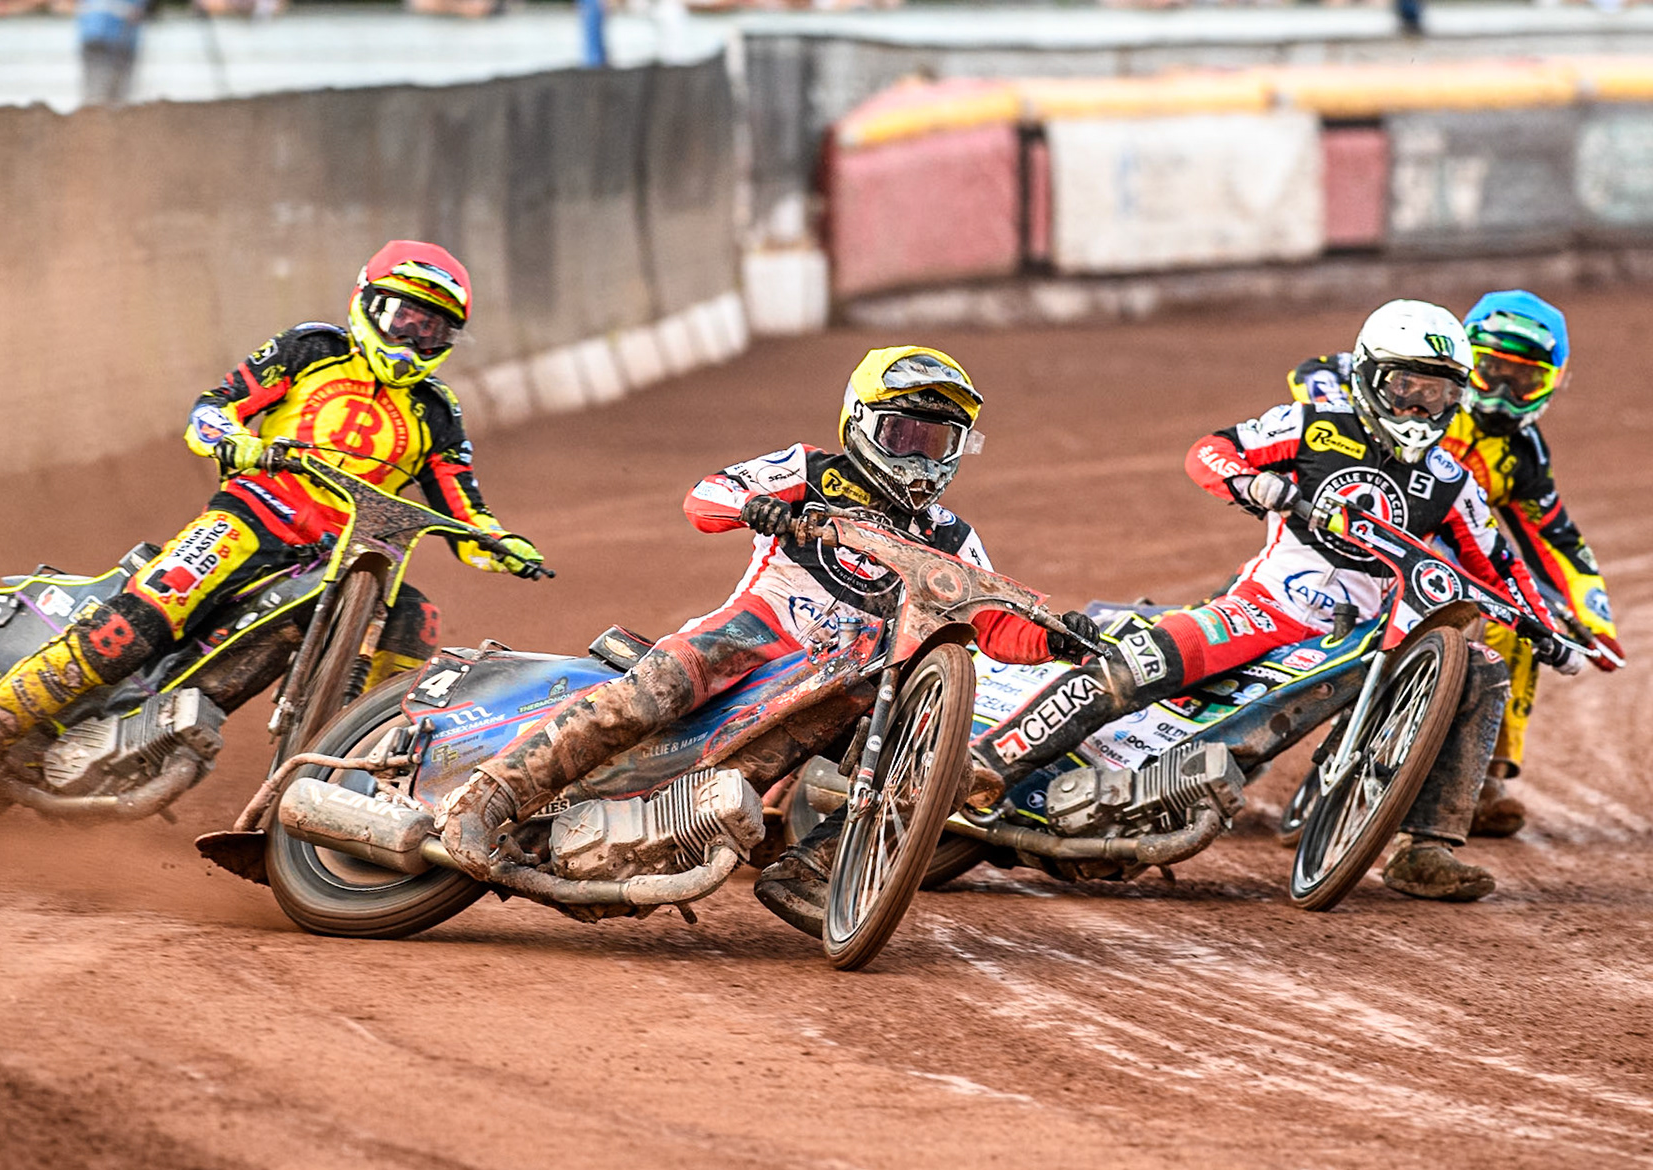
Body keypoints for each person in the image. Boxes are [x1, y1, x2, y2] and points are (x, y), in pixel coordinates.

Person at [435, 346, 1104, 936]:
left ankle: (812, 870)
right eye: (903, 434)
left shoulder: (951, 538)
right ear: (862, 423)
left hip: (842, 690)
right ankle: (488, 797)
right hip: (757, 635)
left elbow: (990, 620)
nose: (918, 456)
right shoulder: (812, 470)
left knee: (957, 769)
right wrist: (757, 508)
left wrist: (1059, 640)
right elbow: (708, 495)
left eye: (936, 441)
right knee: (656, 688)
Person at [972, 299, 1579, 903]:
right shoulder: (1314, 423)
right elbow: (1209, 451)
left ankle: (1426, 849)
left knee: (1479, 667)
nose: (1421, 408)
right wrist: (1251, 481)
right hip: (1262, 610)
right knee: (1136, 664)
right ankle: (986, 766)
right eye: (1406, 388)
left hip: (1356, 640)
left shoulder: (1452, 481)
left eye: (1440, 394)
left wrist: (1550, 630)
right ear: (1369, 378)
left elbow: (1502, 567)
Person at [0, 240, 545, 782]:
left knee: (419, 617)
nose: (412, 338)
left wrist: (501, 543)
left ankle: (366, 769)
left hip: (344, 556)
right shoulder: (313, 348)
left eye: (431, 329)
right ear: (365, 303)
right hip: (255, 511)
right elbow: (215, 404)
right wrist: (233, 437)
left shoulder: (437, 411)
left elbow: (466, 508)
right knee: (151, 610)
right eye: (401, 317)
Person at [1289, 290, 1622, 837]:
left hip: (1449, 561)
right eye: (1490, 372)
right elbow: (1315, 371)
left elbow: (1557, 539)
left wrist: (1597, 622)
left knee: (1518, 627)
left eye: (1524, 381)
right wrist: (1342, 415)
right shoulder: (1420, 383)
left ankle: (1485, 776)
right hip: (1343, 535)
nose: (1503, 394)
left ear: (1553, 384)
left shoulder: (1524, 455)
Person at [77, 0, 152, 107]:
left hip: (117, 38)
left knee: (112, 95)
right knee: (101, 94)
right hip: (102, 38)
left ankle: (104, 115)